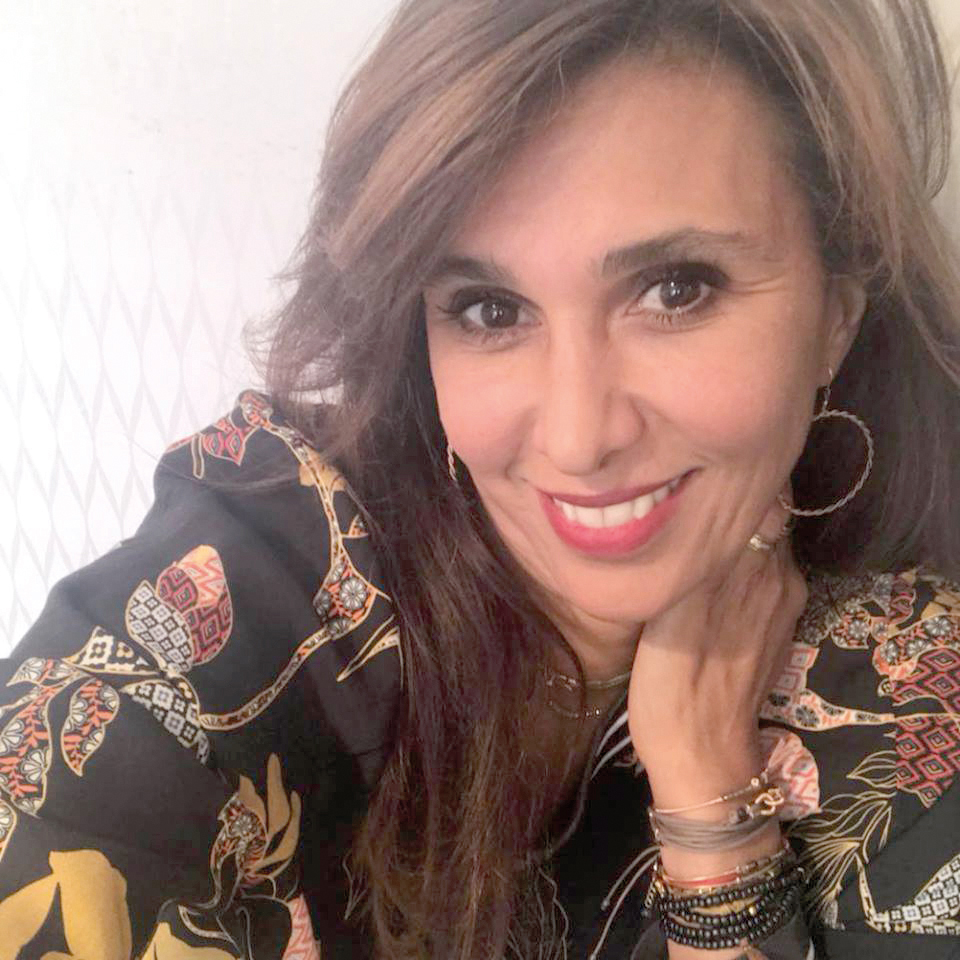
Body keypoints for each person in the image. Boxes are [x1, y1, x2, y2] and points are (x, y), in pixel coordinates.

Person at [2, 0, 960, 957]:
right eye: (490, 309)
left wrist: (712, 808)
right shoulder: (248, 607)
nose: (579, 438)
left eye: (677, 288)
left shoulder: (904, 694)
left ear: (835, 319)